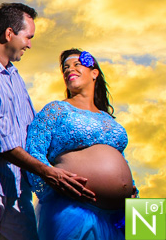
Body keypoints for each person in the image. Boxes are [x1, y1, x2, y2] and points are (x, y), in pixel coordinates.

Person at [0, 3, 93, 240]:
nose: (30, 44)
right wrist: (49, 173)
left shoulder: (14, 77)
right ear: (9, 34)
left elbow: (30, 133)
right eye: (28, 37)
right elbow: (0, 141)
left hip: (16, 190)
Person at [25, 49, 136, 240]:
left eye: (77, 64)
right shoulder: (56, 109)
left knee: (154, 233)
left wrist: (134, 197)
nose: (69, 70)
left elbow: (121, 160)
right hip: (75, 211)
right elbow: (34, 151)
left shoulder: (109, 120)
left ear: (95, 73)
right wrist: (53, 183)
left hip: (121, 215)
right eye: (65, 68)